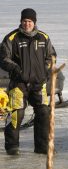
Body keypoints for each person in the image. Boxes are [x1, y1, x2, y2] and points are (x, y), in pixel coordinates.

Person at [0, 8, 56, 155]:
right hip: (19, 84)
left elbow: (51, 56)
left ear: (34, 22)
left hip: (39, 83)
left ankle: (42, 147)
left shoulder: (43, 37)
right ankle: (12, 147)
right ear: (21, 21)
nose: (27, 24)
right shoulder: (12, 38)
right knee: (16, 114)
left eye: (30, 21)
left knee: (44, 112)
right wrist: (17, 70)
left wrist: (45, 71)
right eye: (24, 21)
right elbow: (3, 58)